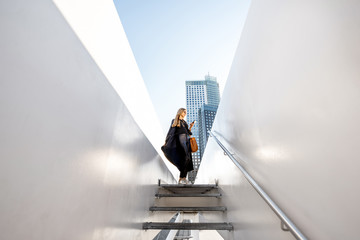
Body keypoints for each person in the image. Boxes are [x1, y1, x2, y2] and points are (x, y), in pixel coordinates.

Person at [161, 108, 195, 184]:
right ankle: (182, 178)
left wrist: (190, 127)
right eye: (184, 112)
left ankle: (182, 178)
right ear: (180, 112)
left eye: (186, 112)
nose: (185, 113)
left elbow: (188, 132)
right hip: (180, 139)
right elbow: (171, 131)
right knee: (185, 157)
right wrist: (166, 141)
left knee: (188, 159)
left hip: (186, 139)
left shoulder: (185, 122)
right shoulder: (175, 120)